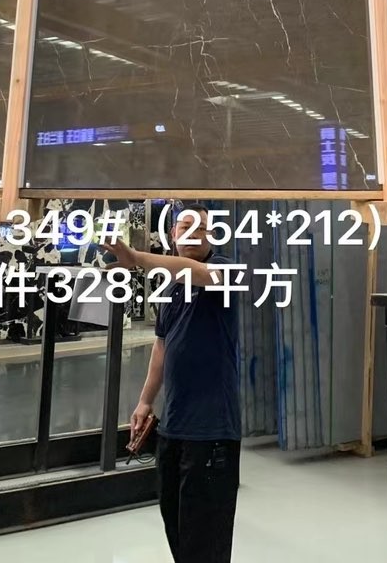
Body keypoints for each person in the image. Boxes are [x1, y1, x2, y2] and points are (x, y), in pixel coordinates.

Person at [102, 204, 241, 563]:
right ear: (172, 234)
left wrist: (137, 258)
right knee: (177, 529)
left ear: (212, 236)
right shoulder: (171, 287)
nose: (191, 233)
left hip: (211, 431)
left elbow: (197, 272)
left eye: (200, 227)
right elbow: (162, 345)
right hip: (174, 428)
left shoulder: (226, 271)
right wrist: (145, 400)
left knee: (205, 540)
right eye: (184, 226)